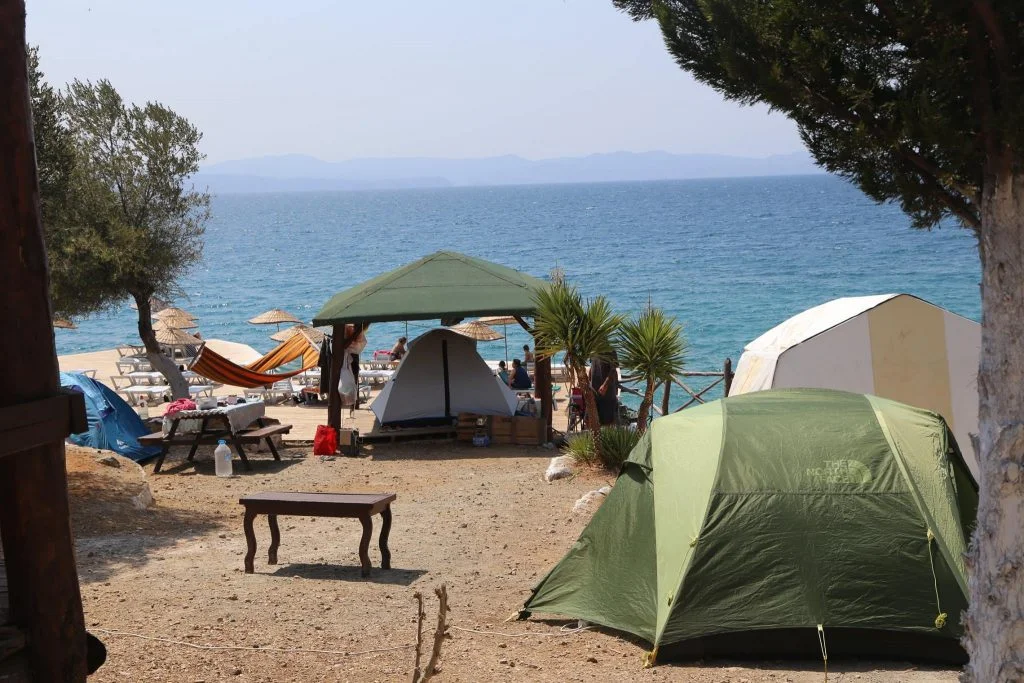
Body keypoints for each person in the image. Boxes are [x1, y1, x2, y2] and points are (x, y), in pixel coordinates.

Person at [589, 355, 619, 426]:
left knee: (608, 422)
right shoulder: (593, 349)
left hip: (607, 393)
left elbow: (613, 370)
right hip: (594, 391)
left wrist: (605, 385)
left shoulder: (610, 351)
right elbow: (592, 367)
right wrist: (589, 382)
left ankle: (608, 436)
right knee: (593, 420)